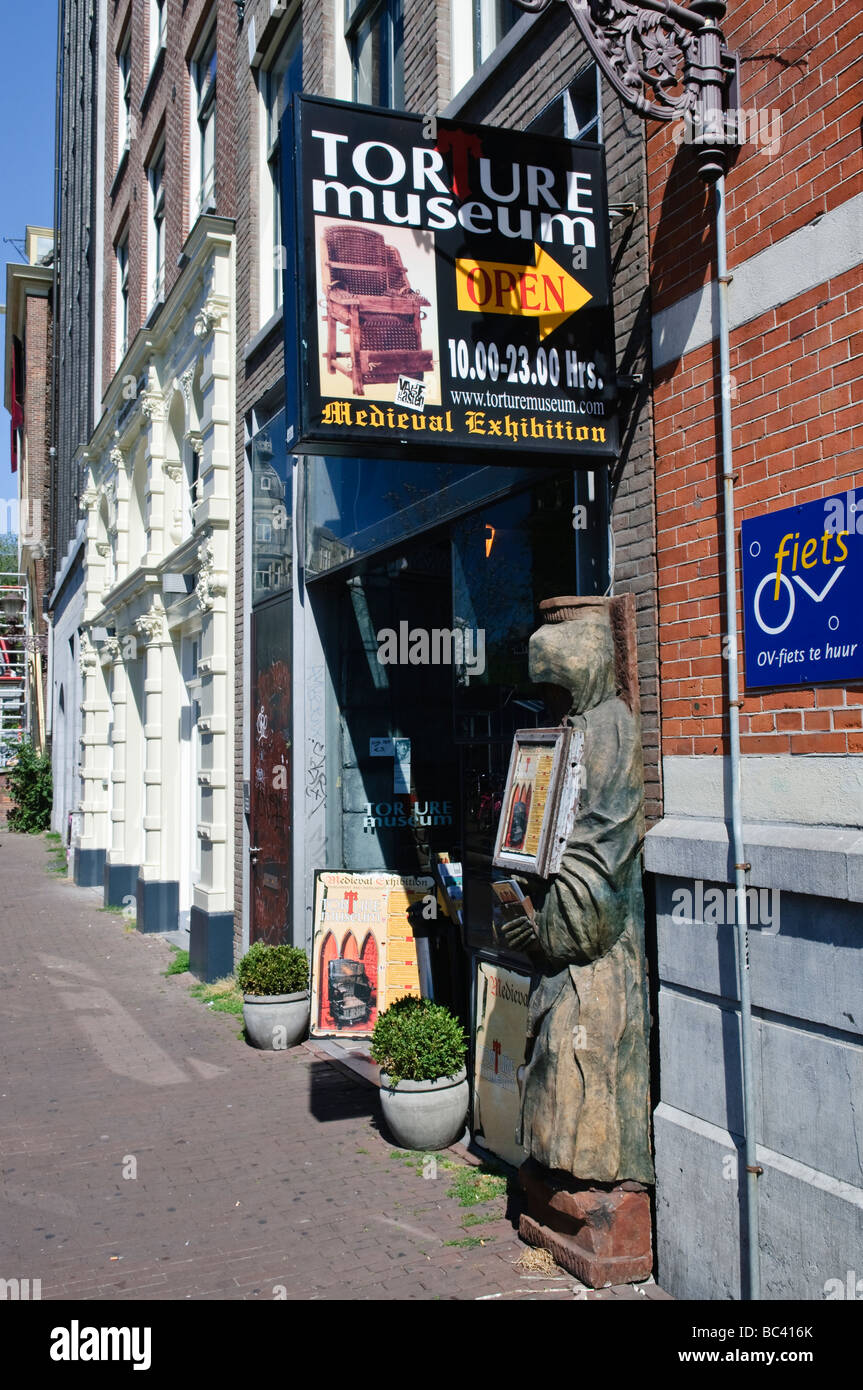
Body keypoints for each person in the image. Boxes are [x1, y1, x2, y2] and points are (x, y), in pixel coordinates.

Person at [501, 604, 653, 1184]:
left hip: (596, 961)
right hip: (566, 949)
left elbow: (599, 855)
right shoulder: (580, 729)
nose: (554, 707)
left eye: (560, 690)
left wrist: (547, 930)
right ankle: (562, 1177)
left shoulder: (613, 726)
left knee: (583, 1073)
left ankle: (598, 1186)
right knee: (555, 1073)